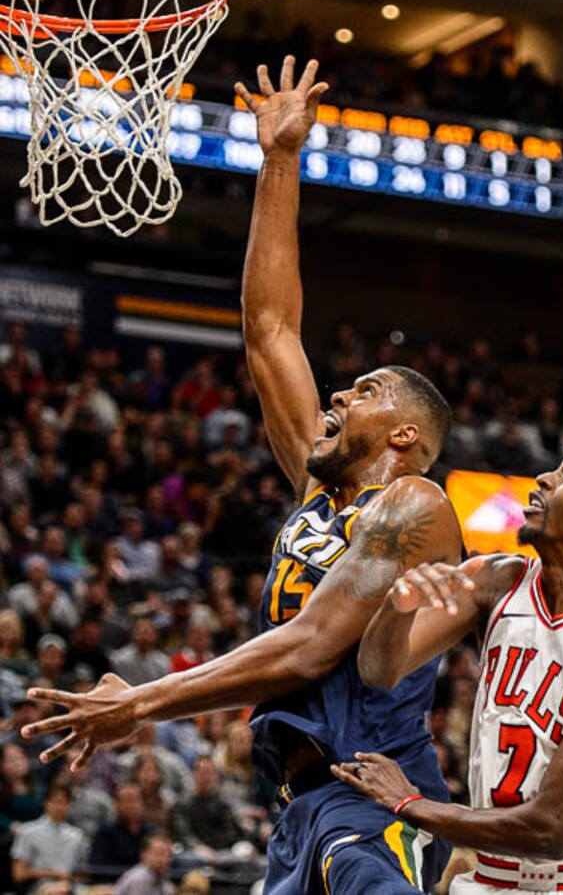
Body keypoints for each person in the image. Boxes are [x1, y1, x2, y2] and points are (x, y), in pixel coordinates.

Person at [21, 57, 464, 894]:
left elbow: (308, 648)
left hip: (373, 805)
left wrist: (142, 703)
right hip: (299, 812)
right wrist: (281, 160)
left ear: (406, 434)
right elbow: (269, 328)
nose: (337, 392)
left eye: (364, 390)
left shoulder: (414, 505)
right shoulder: (317, 489)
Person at [329, 416, 563, 894]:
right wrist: (397, 608)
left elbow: (552, 829)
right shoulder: (495, 582)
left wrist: (411, 804)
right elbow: (378, 670)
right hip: (492, 879)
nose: (544, 479)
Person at [11, 781, 87, 893]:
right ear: (46, 803)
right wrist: (53, 873)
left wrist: (70, 881)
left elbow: (82, 874)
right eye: (57, 801)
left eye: (65, 802)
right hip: (38, 886)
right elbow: (19, 874)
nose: (60, 807)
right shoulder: (27, 831)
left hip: (70, 887)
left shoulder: (77, 835)